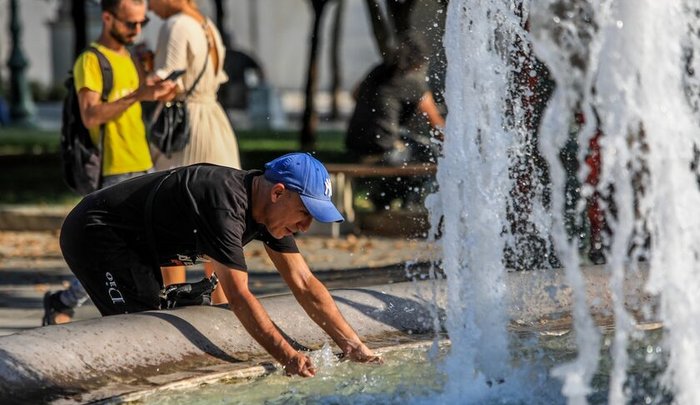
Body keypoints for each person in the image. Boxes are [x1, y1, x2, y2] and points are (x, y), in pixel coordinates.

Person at [58, 152, 381, 376]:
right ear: (278, 192)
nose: (306, 227)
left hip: (141, 244)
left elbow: (304, 283)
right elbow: (239, 295)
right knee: (138, 326)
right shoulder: (225, 206)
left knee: (161, 322)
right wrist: (288, 356)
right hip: (97, 233)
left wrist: (355, 348)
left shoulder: (271, 214)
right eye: (305, 213)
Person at [42, 0, 177, 325]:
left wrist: (158, 92)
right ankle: (65, 300)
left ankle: (149, 310)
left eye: (141, 23)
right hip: (113, 171)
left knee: (150, 247)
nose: (137, 29)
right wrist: (136, 96)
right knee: (108, 253)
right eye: (130, 23)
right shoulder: (91, 60)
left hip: (143, 164)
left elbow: (135, 102)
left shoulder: (130, 57)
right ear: (107, 18)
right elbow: (90, 115)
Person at [148, 0, 242, 304]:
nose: (149, 7)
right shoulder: (207, 25)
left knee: (171, 214)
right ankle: (226, 304)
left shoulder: (175, 25)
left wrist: (142, 70)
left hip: (187, 129)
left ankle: (171, 305)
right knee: (220, 218)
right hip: (214, 121)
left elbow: (168, 85)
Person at [345, 34, 445, 210]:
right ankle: (408, 205)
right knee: (431, 153)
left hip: (354, 144)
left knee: (407, 140)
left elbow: (354, 94)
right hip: (382, 150)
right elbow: (437, 127)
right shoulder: (412, 82)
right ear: (419, 62)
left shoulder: (377, 70)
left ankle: (383, 200)